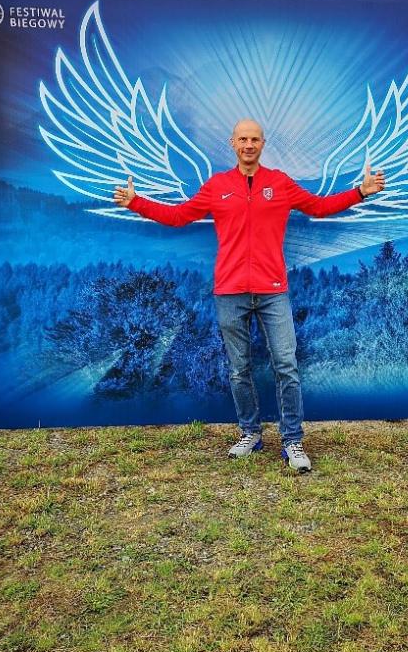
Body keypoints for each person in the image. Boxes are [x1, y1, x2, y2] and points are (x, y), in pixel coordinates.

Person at [114, 119, 385, 472]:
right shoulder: (217, 186)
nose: (248, 144)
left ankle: (292, 440)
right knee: (239, 369)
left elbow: (319, 207)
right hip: (230, 292)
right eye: (242, 139)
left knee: (286, 365)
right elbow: (179, 216)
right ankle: (250, 433)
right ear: (232, 143)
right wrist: (136, 203)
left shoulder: (280, 183)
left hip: (273, 291)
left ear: (262, 144)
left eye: (254, 139)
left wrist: (361, 192)